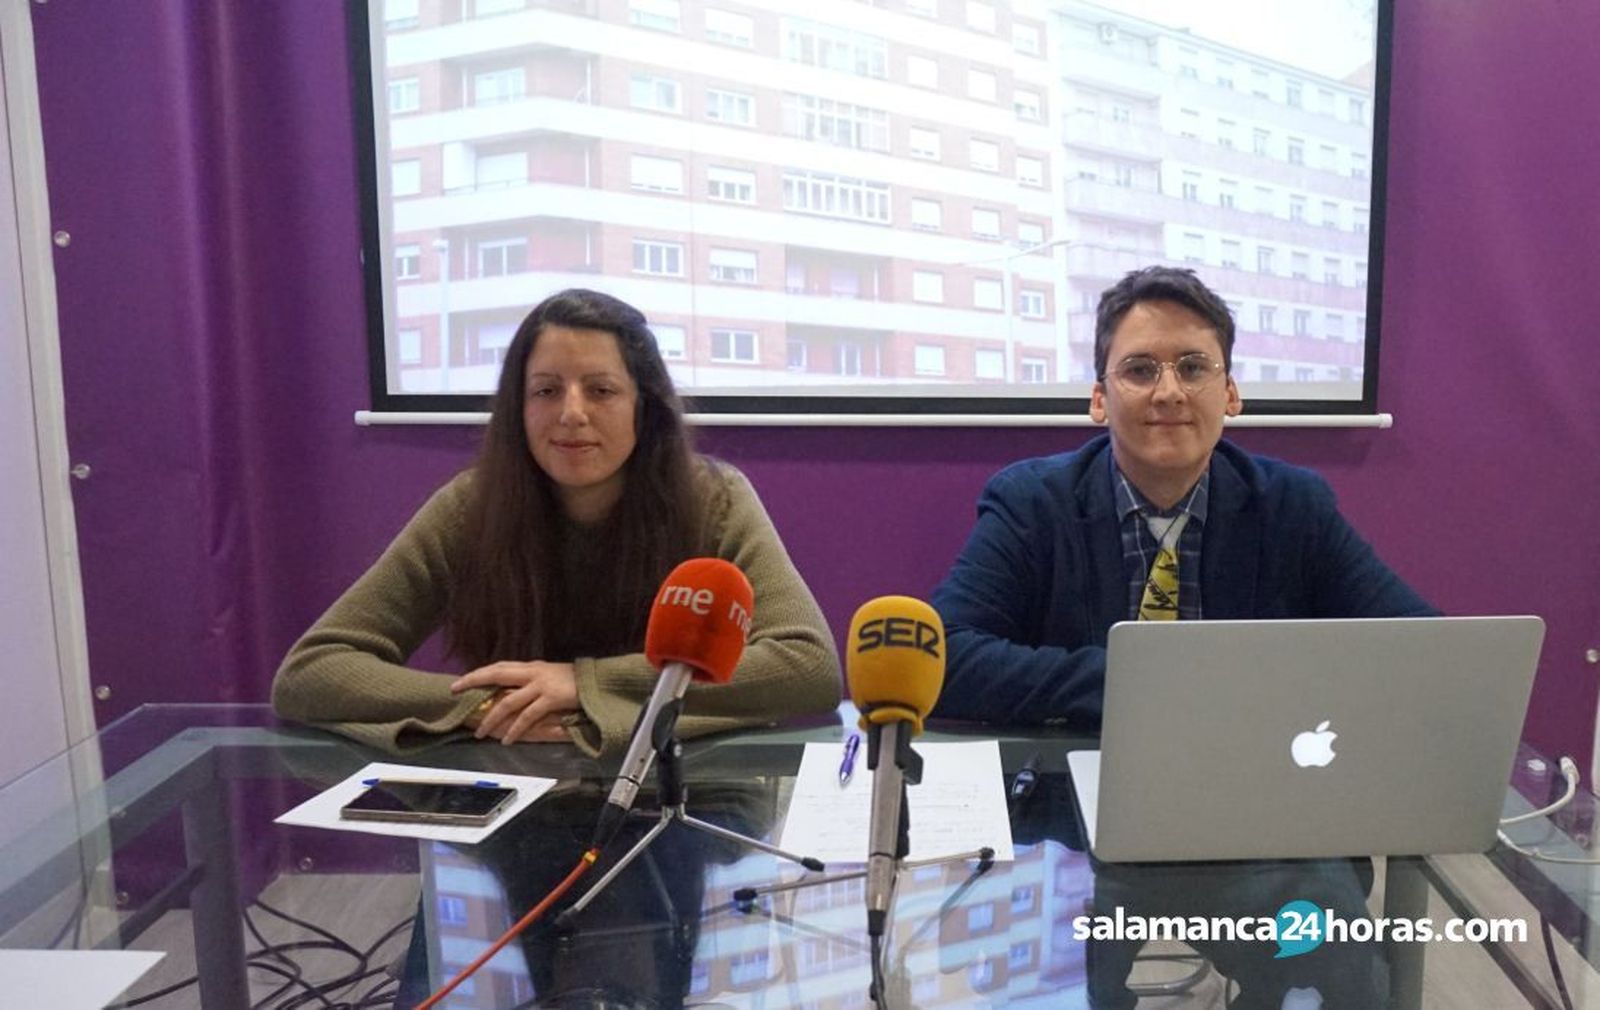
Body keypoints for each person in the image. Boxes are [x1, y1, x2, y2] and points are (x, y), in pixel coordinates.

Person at [273, 288, 841, 757]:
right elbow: (312, 672)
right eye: (546, 390)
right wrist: (485, 704)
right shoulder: (469, 508)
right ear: (518, 410)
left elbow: (807, 665)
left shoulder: (714, 499)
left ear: (643, 406)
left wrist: (585, 685)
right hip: (516, 778)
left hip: (684, 787)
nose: (571, 413)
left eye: (601, 390)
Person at [931, 264, 1436, 727]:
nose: (1169, 392)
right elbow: (942, 658)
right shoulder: (1032, 504)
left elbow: (1427, 649)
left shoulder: (1294, 506)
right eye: (1140, 370)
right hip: (1087, 773)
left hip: (1249, 775)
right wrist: (1146, 683)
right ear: (1099, 401)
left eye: (1193, 369)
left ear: (1231, 395)